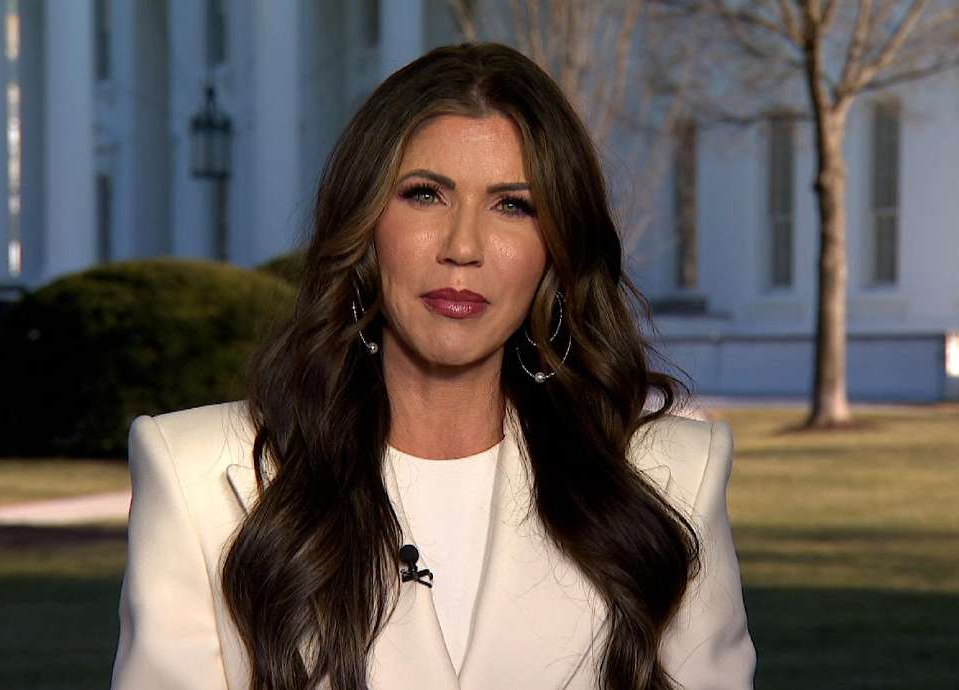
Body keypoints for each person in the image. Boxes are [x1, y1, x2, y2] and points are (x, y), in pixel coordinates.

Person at [110, 41, 755, 690]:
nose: (463, 247)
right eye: (425, 195)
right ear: (364, 224)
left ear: (555, 252)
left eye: (513, 205)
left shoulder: (673, 480)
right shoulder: (194, 477)